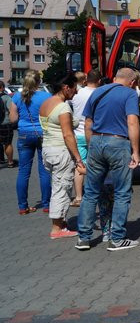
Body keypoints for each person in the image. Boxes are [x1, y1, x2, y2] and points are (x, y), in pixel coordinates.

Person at [76, 67, 140, 251]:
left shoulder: (97, 92)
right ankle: (118, 238)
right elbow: (132, 121)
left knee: (90, 192)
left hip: (96, 140)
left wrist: (91, 146)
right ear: (133, 82)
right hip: (118, 143)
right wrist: (135, 151)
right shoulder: (129, 94)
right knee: (122, 192)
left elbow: (88, 123)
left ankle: (84, 237)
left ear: (114, 78)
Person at [39, 74, 85, 239]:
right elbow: (68, 135)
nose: (76, 92)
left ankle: (61, 222)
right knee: (62, 189)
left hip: (48, 150)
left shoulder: (46, 103)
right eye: (74, 88)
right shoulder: (63, 108)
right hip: (61, 151)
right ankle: (57, 228)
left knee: (57, 185)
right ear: (66, 87)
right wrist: (78, 159)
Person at [9, 70, 52, 214]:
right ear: (39, 82)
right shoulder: (46, 96)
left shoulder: (16, 97)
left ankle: (23, 206)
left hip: (24, 135)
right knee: (44, 170)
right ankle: (47, 204)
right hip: (42, 134)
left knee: (23, 172)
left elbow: (13, 119)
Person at [69, 69, 101, 207]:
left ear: (86, 80)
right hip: (93, 133)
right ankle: (96, 194)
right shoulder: (99, 94)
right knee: (97, 165)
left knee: (79, 165)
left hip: (78, 133)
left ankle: (78, 196)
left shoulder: (77, 92)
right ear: (99, 81)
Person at [0, 80, 15, 167]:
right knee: (8, 143)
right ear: (2, 87)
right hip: (5, 123)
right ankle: (10, 162)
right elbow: (11, 110)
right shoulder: (6, 98)